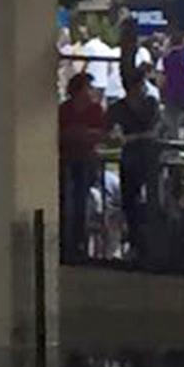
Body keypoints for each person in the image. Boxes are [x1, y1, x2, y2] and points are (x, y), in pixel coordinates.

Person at [107, 80, 163, 264]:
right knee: (130, 203)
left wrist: (130, 138)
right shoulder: (119, 107)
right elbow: (111, 132)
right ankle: (136, 243)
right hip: (131, 161)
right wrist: (117, 135)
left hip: (148, 160)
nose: (144, 90)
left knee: (153, 201)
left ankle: (152, 244)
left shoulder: (151, 103)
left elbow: (154, 132)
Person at [58, 73, 108, 261]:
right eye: (87, 87)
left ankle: (79, 241)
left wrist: (84, 134)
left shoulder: (95, 110)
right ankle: (66, 240)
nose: (91, 91)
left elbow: (102, 134)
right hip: (66, 160)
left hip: (86, 160)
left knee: (81, 201)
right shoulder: (64, 110)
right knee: (66, 201)